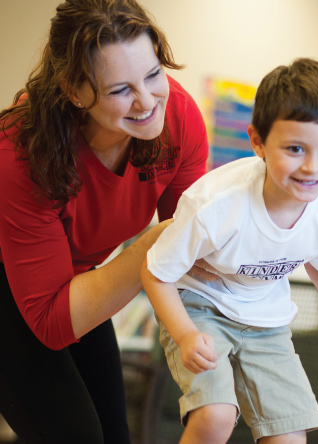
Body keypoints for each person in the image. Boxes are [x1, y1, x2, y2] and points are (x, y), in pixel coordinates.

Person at [141, 58, 318, 444]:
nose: (312, 167)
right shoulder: (215, 204)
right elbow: (155, 272)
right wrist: (185, 334)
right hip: (201, 304)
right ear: (258, 141)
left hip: (265, 319)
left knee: (289, 434)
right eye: (295, 148)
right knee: (215, 415)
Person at [0, 1, 209, 443]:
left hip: (73, 279)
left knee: (114, 434)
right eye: (120, 90)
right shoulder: (19, 151)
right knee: (76, 435)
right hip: (9, 285)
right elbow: (51, 321)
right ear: (74, 91)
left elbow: (190, 256)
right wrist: (153, 243)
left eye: (153, 74)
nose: (148, 101)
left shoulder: (178, 117)